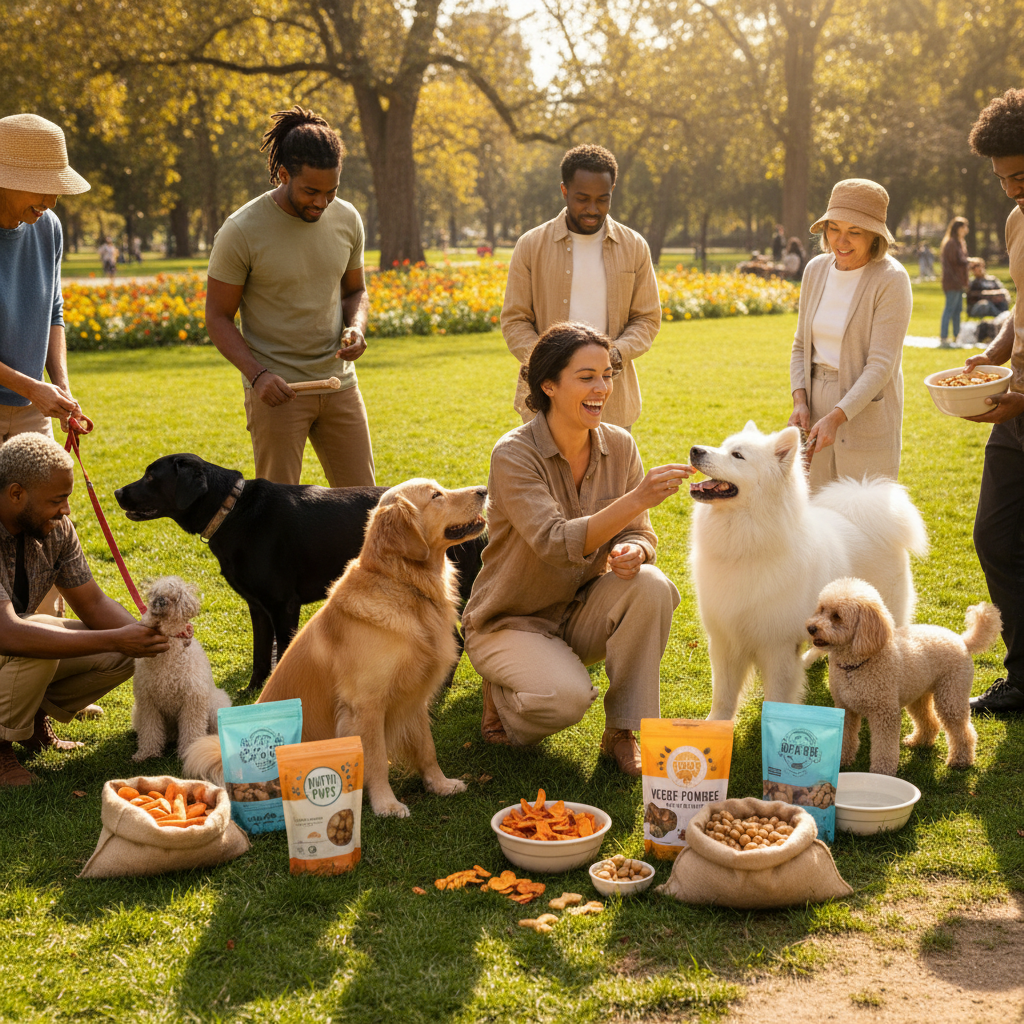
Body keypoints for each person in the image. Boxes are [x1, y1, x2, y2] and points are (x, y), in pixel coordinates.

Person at [462, 322, 692, 776]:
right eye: (586, 377)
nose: (601, 388)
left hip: (579, 612)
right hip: (510, 621)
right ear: (548, 385)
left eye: (607, 375)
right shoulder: (513, 454)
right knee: (565, 701)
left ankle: (621, 732)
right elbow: (554, 541)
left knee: (652, 586)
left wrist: (634, 552)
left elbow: (640, 533)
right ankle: (503, 697)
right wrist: (638, 497)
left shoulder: (620, 446)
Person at [205, 105, 373, 487]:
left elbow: (355, 291)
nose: (321, 202)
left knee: (364, 503)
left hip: (338, 384)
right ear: (283, 175)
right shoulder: (242, 230)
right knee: (276, 513)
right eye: (311, 191)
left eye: (331, 192)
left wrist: (357, 327)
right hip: (277, 391)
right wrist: (258, 376)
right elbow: (217, 316)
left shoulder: (347, 219)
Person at [0, 434, 168, 786]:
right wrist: (120, 638)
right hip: (8, 637)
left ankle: (29, 723)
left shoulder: (57, 529)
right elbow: (9, 633)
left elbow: (93, 604)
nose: (66, 510)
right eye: (57, 500)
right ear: (17, 494)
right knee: (42, 639)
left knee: (123, 653)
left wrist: (149, 638)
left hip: (11, 647)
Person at [501, 144, 661, 431]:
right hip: (547, 394)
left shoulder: (634, 246)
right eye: (582, 198)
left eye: (602, 199)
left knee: (611, 476)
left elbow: (647, 319)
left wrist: (612, 355)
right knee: (547, 476)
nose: (592, 209)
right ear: (564, 191)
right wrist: (551, 362)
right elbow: (515, 320)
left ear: (613, 189)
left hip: (613, 400)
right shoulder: (531, 245)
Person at [958, 89, 1024, 714]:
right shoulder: (1016, 218)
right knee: (996, 537)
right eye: (1003, 178)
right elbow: (1019, 307)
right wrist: (997, 352)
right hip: (1017, 408)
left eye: (1021, 176)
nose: (1010, 190)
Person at [788, 179, 913, 492]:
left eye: (854, 232)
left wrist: (837, 416)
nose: (840, 241)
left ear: (874, 236)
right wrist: (800, 400)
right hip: (815, 401)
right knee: (816, 513)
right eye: (833, 228)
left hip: (864, 408)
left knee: (864, 519)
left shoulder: (891, 279)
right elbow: (801, 346)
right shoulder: (815, 270)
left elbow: (881, 365)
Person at [940, 216, 970, 344]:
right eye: (964, 227)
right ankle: (944, 337)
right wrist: (970, 261)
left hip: (959, 283)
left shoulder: (960, 243)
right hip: (952, 282)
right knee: (950, 309)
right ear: (958, 228)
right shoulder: (951, 243)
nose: (966, 229)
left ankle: (956, 336)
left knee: (958, 310)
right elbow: (955, 263)